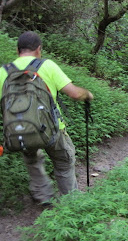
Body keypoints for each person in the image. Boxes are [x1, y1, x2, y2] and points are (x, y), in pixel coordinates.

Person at [0, 31, 94, 205]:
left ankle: (44, 198)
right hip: (52, 130)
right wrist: (87, 94)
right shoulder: (46, 65)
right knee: (64, 163)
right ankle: (72, 204)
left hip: (20, 132)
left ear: (18, 50)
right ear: (39, 49)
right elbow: (73, 93)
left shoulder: (3, 72)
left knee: (32, 160)